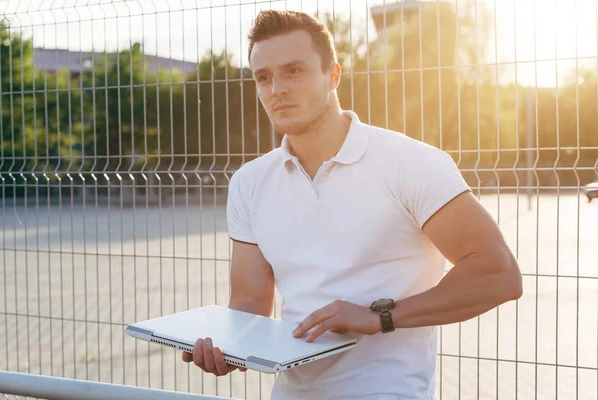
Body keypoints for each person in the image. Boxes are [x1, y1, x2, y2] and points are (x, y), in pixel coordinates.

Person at [182, 9, 523, 399]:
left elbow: (500, 274)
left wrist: (379, 316)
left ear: (333, 75)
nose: (277, 88)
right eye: (264, 77)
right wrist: (228, 351)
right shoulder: (249, 183)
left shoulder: (408, 163)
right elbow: (248, 306)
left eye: (294, 71)